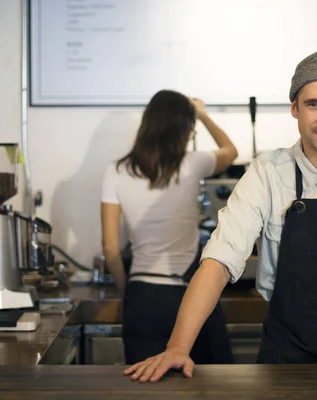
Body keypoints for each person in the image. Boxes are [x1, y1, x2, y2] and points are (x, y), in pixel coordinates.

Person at [124, 52, 317, 386]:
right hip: (283, 362)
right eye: (314, 104)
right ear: (294, 108)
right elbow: (220, 258)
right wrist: (178, 346)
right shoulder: (267, 172)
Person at [101, 89, 238, 365]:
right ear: (185, 129)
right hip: (190, 294)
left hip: (142, 297)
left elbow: (111, 248)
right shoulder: (193, 164)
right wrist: (202, 114)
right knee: (207, 385)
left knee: (146, 384)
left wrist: (127, 290)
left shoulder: (115, 170)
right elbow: (230, 151)